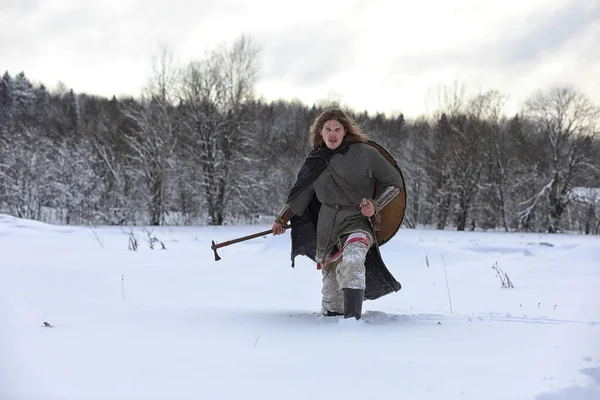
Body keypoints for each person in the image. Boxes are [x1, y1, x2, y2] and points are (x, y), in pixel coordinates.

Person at [272, 108, 404, 320]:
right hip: (328, 227)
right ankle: (336, 321)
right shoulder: (315, 160)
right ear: (320, 133)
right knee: (332, 299)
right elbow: (301, 194)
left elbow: (395, 182)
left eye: (337, 129)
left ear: (345, 132)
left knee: (353, 260)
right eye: (327, 129)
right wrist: (281, 218)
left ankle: (353, 324)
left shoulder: (366, 154)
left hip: (358, 221)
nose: (332, 134)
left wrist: (375, 205)